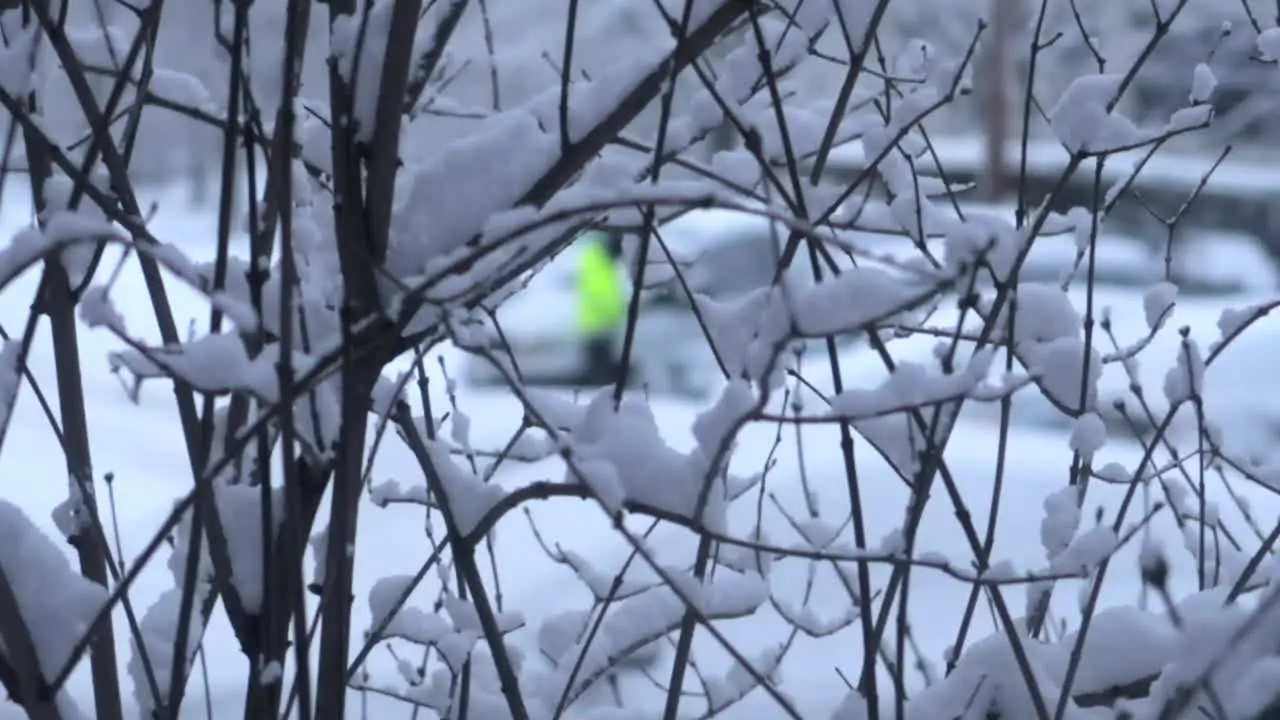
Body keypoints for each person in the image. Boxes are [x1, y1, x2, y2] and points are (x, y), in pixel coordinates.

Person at [575, 229, 627, 385]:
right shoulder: (597, 262)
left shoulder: (602, 261)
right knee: (599, 367)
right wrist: (618, 311)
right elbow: (600, 293)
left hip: (602, 323)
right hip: (596, 324)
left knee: (602, 365)